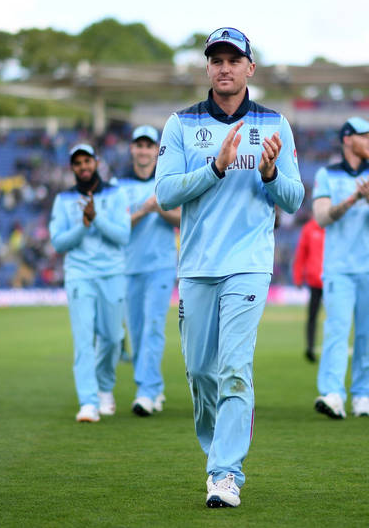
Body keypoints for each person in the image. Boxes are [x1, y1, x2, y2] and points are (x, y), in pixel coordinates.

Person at [154, 27, 303, 508]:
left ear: (250, 68)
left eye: (233, 60)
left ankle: (224, 473)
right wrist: (215, 168)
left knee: (234, 368)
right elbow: (165, 194)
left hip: (249, 264)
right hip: (197, 266)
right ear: (207, 67)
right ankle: (217, 449)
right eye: (216, 60)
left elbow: (294, 199)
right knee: (201, 372)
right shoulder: (180, 124)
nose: (224, 67)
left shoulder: (275, 124)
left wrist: (271, 174)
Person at [312, 117, 369, 420]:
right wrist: (351, 200)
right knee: (336, 330)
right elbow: (322, 217)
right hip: (338, 267)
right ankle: (333, 393)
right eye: (365, 135)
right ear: (347, 139)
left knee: (367, 334)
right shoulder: (327, 174)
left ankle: (362, 395)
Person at [49, 143, 131, 423]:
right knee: (84, 340)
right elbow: (59, 243)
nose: (83, 167)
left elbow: (123, 236)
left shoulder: (116, 193)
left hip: (112, 273)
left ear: (96, 162)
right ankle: (88, 401)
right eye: (77, 163)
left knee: (113, 338)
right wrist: (83, 225)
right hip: (79, 275)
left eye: (87, 161)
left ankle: (104, 388)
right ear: (72, 168)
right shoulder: (63, 200)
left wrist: (96, 218)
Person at [113, 125, 181, 416]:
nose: (143, 151)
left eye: (148, 146)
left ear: (157, 150)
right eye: (139, 145)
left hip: (161, 266)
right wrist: (143, 211)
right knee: (138, 331)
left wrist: (160, 209)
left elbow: (182, 218)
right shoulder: (118, 186)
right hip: (130, 267)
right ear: (132, 149)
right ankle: (153, 385)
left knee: (153, 326)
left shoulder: (167, 182)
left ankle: (147, 391)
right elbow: (116, 228)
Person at [292, 217, 324, 363]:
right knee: (312, 316)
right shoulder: (309, 228)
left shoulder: (334, 225)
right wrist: (298, 277)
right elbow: (301, 254)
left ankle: (332, 348)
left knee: (336, 318)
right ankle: (310, 348)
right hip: (315, 280)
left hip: (333, 279)